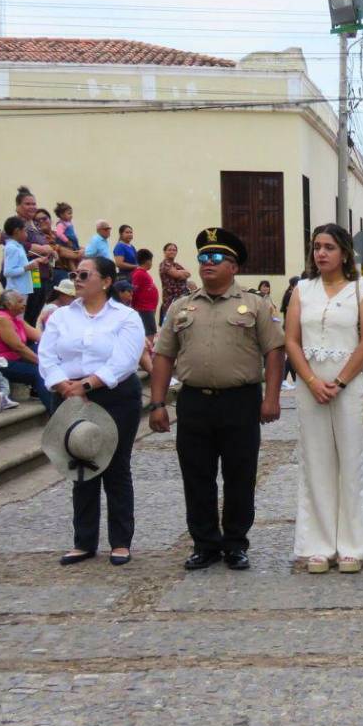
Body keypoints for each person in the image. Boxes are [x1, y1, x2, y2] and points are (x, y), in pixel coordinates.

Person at [149, 227, 285, 571]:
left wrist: (272, 398)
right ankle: (205, 544)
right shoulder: (181, 307)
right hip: (194, 402)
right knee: (197, 476)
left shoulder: (255, 304)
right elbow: (164, 355)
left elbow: (274, 352)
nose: (207, 264)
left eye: (216, 258)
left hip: (240, 402)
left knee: (240, 475)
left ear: (234, 266)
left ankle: (236, 543)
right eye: (202, 258)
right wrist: (157, 403)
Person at [283, 225, 363, 574]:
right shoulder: (301, 290)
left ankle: (354, 544)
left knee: (352, 463)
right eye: (316, 247)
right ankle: (319, 545)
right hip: (311, 387)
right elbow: (291, 339)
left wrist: (338, 381)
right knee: (317, 462)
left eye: (329, 247)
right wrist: (311, 381)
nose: (321, 253)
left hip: (349, 385)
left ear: (344, 253)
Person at [39, 256, 146, 566]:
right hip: (69, 395)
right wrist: (64, 385)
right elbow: (46, 355)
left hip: (114, 396)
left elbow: (125, 360)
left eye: (85, 274)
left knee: (116, 466)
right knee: (79, 466)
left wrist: (87, 384)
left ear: (107, 281)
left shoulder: (125, 317)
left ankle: (121, 541)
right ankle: (84, 541)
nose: (78, 279)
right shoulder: (61, 317)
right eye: (75, 274)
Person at [0, 289, 53, 411]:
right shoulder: (1, 318)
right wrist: (42, 363)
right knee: (39, 372)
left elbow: (41, 338)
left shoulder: (16, 318)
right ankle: (54, 410)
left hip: (15, 358)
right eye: (20, 301)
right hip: (0, 362)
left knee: (44, 349)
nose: (24, 304)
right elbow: (18, 347)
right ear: (9, 304)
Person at [15, 189, 55, 325]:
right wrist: (41, 249)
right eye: (27, 204)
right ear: (18, 207)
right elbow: (10, 241)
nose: (32, 207)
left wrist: (50, 251)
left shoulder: (35, 225)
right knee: (27, 310)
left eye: (34, 204)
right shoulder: (16, 224)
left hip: (42, 273)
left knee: (36, 308)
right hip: (28, 273)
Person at [0, 216, 37, 302]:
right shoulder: (12, 248)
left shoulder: (18, 246)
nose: (26, 234)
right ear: (17, 231)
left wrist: (35, 262)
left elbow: (20, 265)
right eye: (24, 231)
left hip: (22, 290)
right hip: (16, 291)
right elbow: (8, 272)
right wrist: (26, 268)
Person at [158, 242, 191, 324]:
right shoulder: (165, 264)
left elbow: (188, 274)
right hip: (171, 299)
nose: (172, 252)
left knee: (182, 323)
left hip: (182, 298)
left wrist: (180, 273)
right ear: (164, 252)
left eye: (174, 250)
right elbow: (176, 275)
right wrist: (180, 273)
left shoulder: (176, 265)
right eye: (169, 250)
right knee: (172, 324)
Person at [130, 249, 159, 338]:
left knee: (150, 333)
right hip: (143, 309)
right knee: (148, 334)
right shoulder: (139, 274)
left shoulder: (144, 273)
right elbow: (133, 291)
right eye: (151, 261)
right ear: (148, 261)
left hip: (148, 309)